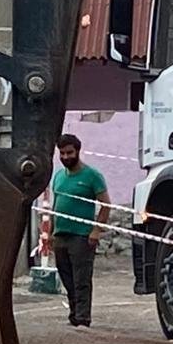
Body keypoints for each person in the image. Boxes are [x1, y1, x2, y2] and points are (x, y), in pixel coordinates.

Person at [50, 133, 108, 329]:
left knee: (81, 279)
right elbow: (55, 205)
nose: (65, 157)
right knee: (67, 277)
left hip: (81, 236)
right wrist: (51, 233)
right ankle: (74, 314)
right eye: (62, 153)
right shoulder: (58, 176)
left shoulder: (92, 176)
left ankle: (83, 318)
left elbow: (106, 205)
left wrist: (96, 230)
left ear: (77, 152)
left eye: (69, 153)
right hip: (61, 235)